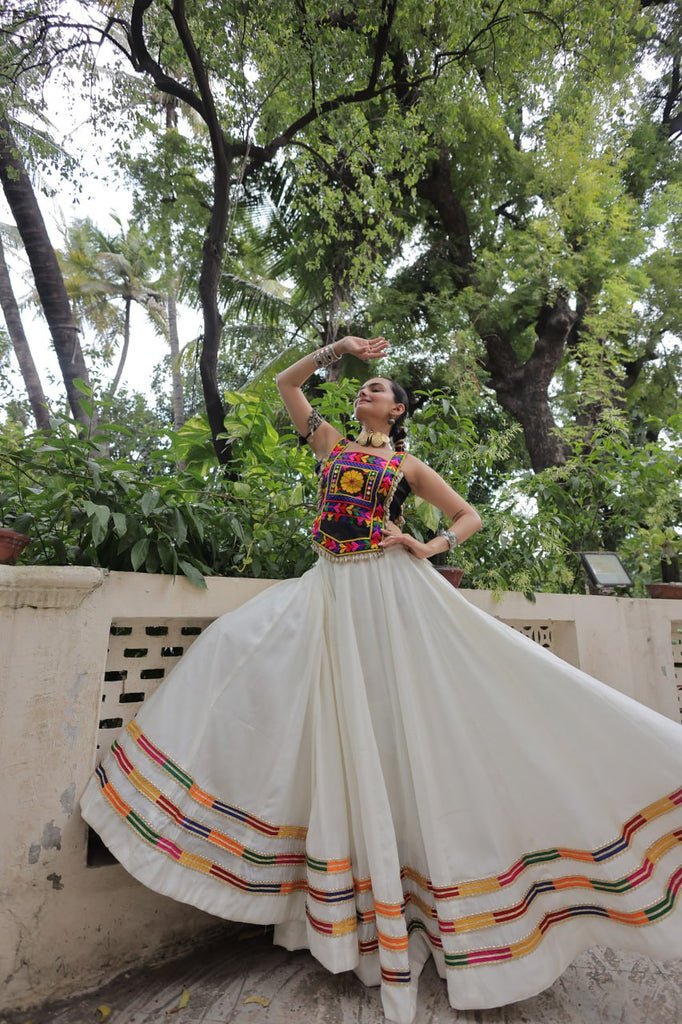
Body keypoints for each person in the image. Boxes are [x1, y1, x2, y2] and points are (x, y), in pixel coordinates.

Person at [81, 337, 682, 1024]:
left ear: (398, 411)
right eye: (363, 387)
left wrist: (428, 546)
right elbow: (284, 382)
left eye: (379, 391)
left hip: (391, 592)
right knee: (235, 647)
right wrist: (336, 348)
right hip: (329, 589)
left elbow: (469, 515)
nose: (366, 393)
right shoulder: (332, 446)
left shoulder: (407, 464)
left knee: (404, 722)